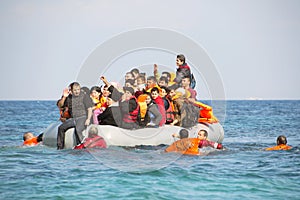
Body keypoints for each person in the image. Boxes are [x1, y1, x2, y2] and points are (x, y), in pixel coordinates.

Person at [57, 82, 93, 150]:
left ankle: (82, 146)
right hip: (73, 119)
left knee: (78, 129)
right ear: (71, 91)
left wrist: (88, 119)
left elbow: (89, 109)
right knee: (61, 128)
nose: (77, 92)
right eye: (75, 90)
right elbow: (60, 105)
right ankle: (60, 147)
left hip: (83, 117)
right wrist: (64, 97)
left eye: (78, 89)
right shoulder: (68, 97)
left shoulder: (84, 96)